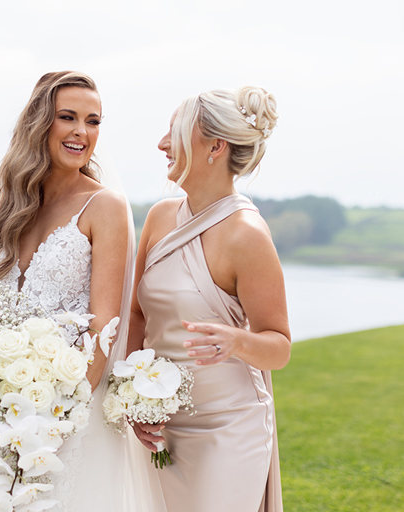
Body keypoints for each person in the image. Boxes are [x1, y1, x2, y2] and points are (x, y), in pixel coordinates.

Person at [0, 71, 162, 512]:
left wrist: (56, 419)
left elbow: (103, 326)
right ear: (39, 123)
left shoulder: (104, 206)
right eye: (68, 117)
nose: (81, 132)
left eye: (93, 121)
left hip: (66, 419)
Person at [128, 87, 289, 512]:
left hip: (227, 430)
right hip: (159, 425)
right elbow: (135, 314)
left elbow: (279, 346)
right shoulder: (160, 218)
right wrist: (133, 396)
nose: (162, 144)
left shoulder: (246, 235)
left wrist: (237, 342)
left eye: (173, 132)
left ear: (215, 147)